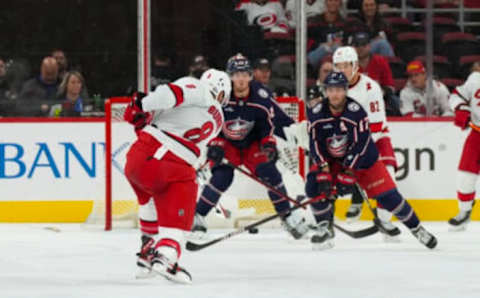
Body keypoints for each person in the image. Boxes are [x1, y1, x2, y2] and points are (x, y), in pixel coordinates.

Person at [305, 71, 438, 250]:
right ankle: (324, 227)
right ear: (325, 91)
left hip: (365, 160)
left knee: (390, 197)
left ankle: (417, 228)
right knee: (314, 185)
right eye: (330, 89)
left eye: (338, 89)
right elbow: (314, 144)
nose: (334, 94)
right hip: (333, 161)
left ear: (345, 91)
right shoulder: (316, 113)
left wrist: (349, 171)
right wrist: (324, 170)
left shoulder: (356, 112)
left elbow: (361, 145)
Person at [123, 68, 231, 284]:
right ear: (220, 92)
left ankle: (148, 249)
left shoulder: (201, 98)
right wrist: (145, 104)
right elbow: (170, 93)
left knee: (151, 199)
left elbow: (147, 120)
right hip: (168, 162)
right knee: (183, 205)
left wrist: (140, 106)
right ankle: (166, 256)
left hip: (139, 159)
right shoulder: (209, 105)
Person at [192, 54, 309, 239]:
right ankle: (197, 216)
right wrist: (214, 144)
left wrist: (269, 146)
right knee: (222, 176)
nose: (241, 79)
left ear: (250, 75)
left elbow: (267, 126)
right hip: (227, 142)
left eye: (244, 74)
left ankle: (287, 217)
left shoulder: (261, 96)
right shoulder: (222, 92)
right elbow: (210, 122)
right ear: (230, 76)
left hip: (252, 144)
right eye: (236, 74)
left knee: (271, 174)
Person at [333, 46, 399, 238]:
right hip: (346, 143)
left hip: (376, 140)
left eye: (346, 65)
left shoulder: (370, 87)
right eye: (338, 66)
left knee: (389, 180)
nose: (342, 70)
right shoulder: (333, 88)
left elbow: (377, 127)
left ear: (355, 65)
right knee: (324, 177)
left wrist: (357, 154)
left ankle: (385, 222)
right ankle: (318, 220)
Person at [447, 68, 480, 231]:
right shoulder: (475, 79)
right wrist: (461, 108)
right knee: (465, 175)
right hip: (477, 134)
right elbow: (455, 95)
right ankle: (465, 210)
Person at [352, 31, 400, 116]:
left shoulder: (380, 61)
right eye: (357, 45)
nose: (360, 48)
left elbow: (390, 86)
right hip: (354, 103)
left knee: (395, 101)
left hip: (378, 101)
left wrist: (380, 91)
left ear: (369, 46)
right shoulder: (348, 64)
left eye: (363, 45)